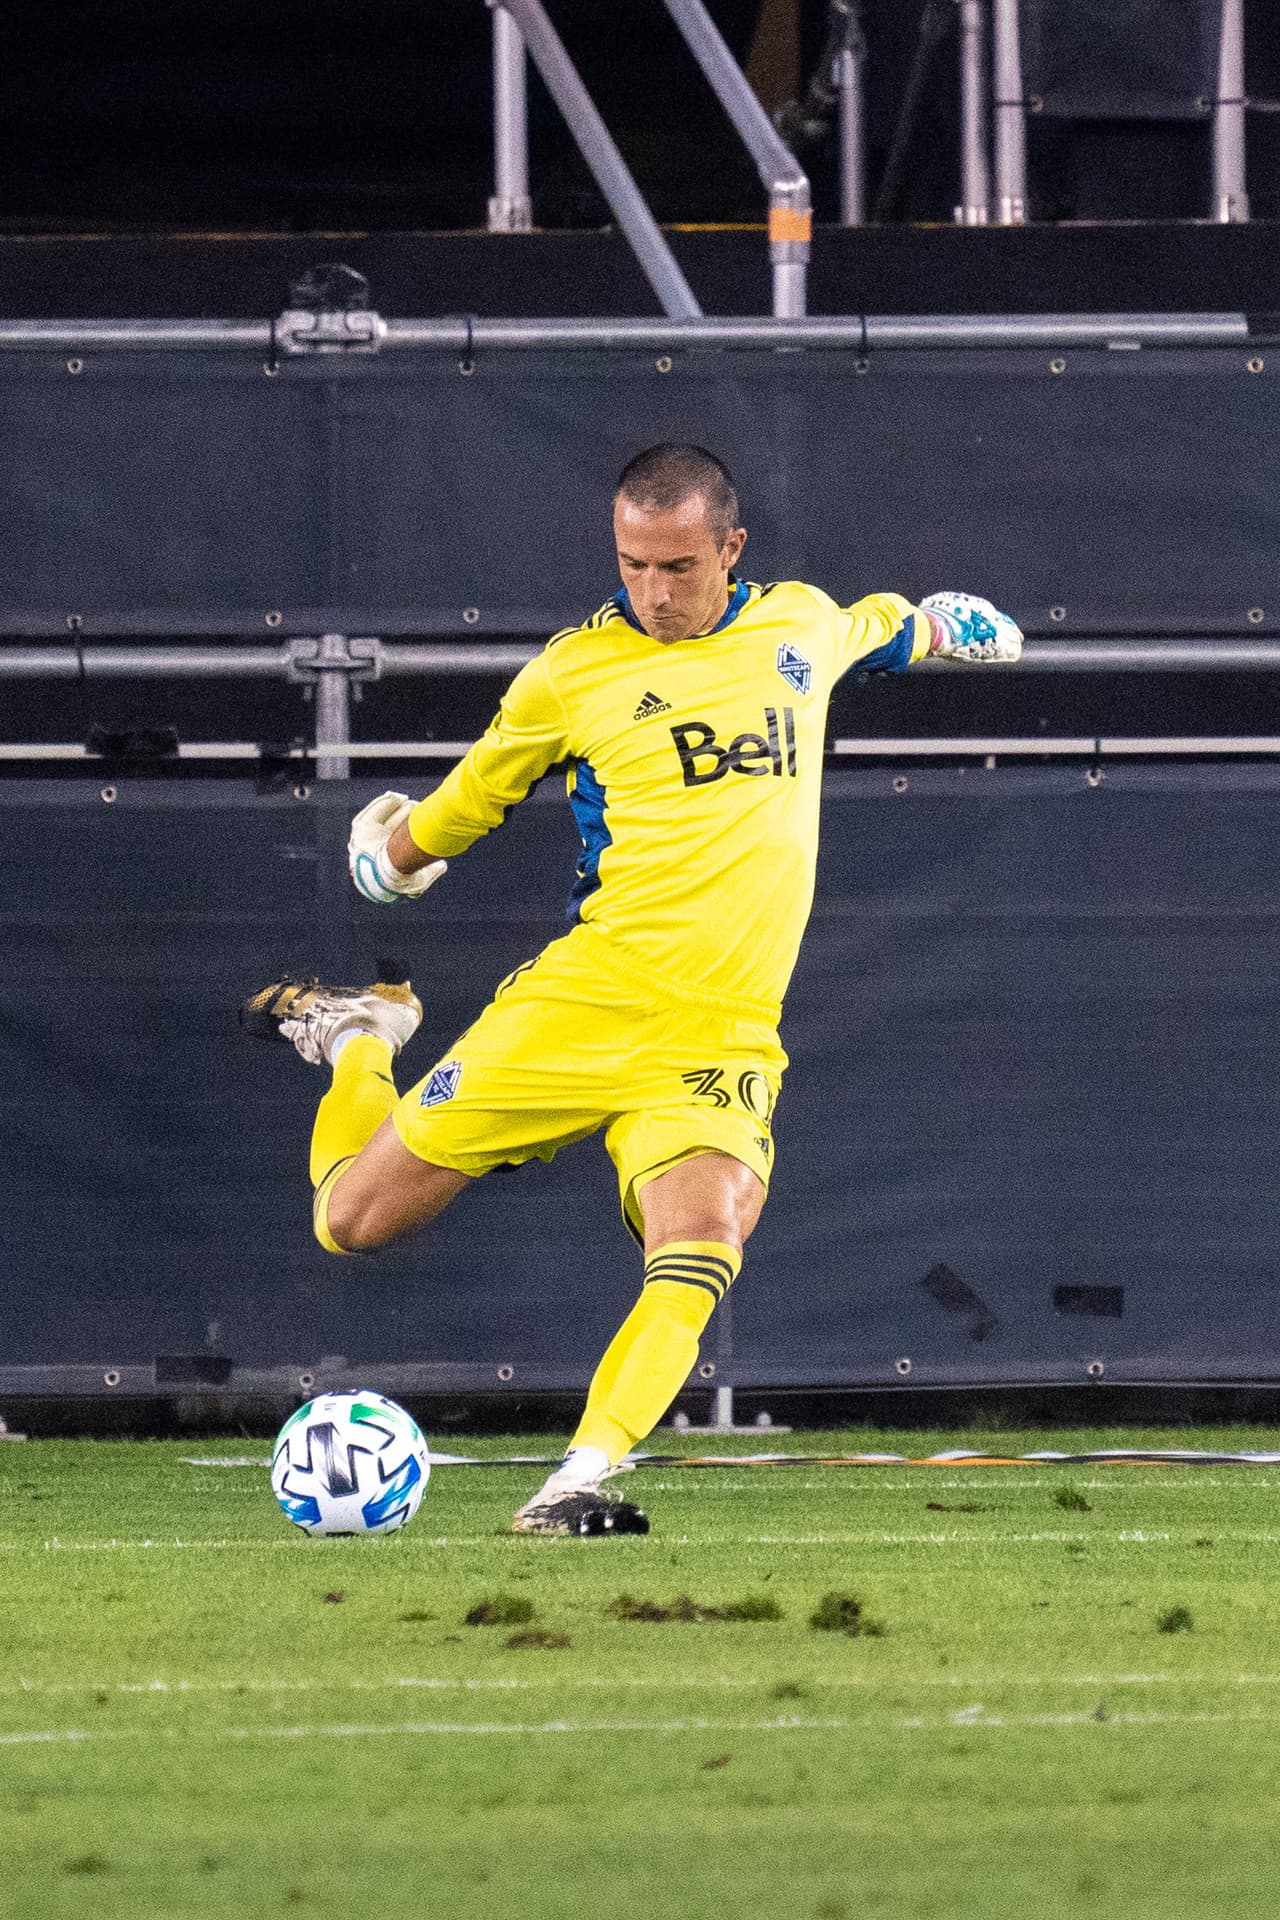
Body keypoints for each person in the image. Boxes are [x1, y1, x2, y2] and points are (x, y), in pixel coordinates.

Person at [242, 443, 1021, 1536]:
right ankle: (363, 1038)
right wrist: (389, 854)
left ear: (729, 550)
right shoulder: (574, 673)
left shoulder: (795, 625)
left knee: (701, 1246)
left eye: (678, 567)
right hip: (584, 1005)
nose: (653, 592)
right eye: (632, 565)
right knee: (349, 1223)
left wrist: (950, 628)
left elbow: (882, 624)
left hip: (723, 1035)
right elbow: (462, 806)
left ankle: (574, 1485)